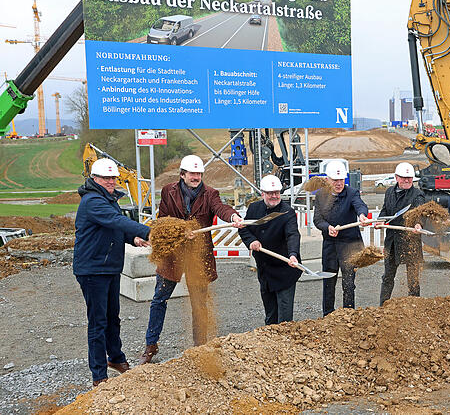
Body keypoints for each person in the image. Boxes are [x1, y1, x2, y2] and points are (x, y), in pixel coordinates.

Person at [138, 155, 243, 364]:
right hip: (173, 256)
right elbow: (163, 220)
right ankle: (150, 347)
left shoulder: (210, 193)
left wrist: (233, 217)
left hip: (198, 257)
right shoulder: (169, 191)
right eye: (192, 174)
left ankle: (200, 346)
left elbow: (220, 208)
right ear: (183, 175)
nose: (196, 177)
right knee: (159, 299)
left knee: (199, 304)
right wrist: (181, 229)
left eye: (199, 174)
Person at [74, 158, 151, 386]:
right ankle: (99, 376)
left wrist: (133, 237)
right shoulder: (92, 201)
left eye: (113, 178)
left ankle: (116, 358)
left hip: (108, 267)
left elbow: (115, 228)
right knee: (98, 322)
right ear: (95, 179)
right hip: (92, 269)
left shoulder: (108, 199)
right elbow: (114, 220)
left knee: (112, 317)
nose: (110, 181)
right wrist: (148, 231)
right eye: (106, 178)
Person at [239, 175, 303, 324]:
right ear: (262, 194)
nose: (274, 196)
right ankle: (270, 343)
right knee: (270, 314)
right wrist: (252, 241)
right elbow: (244, 229)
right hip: (265, 270)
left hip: (285, 269)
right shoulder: (254, 208)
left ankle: (285, 342)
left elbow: (292, 234)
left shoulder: (287, 212)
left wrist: (293, 254)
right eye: (270, 193)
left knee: (284, 318)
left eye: (277, 192)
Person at [312, 161, 369, 316]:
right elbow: (317, 219)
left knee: (349, 283)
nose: (338, 183)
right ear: (328, 180)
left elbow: (360, 205)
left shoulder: (351, 193)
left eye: (341, 180)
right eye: (335, 180)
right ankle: (328, 315)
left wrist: (362, 215)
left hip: (350, 245)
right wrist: (327, 228)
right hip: (330, 245)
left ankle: (348, 315)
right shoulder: (321, 195)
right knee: (328, 282)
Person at [379, 162, 427, 304]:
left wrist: (418, 224)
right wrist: (379, 221)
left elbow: (420, 212)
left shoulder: (418, 194)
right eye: (403, 178)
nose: (407, 180)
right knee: (387, 276)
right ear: (396, 177)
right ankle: (383, 305)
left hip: (410, 240)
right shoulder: (389, 192)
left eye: (409, 178)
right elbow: (384, 211)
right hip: (392, 242)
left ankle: (415, 306)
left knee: (413, 279)